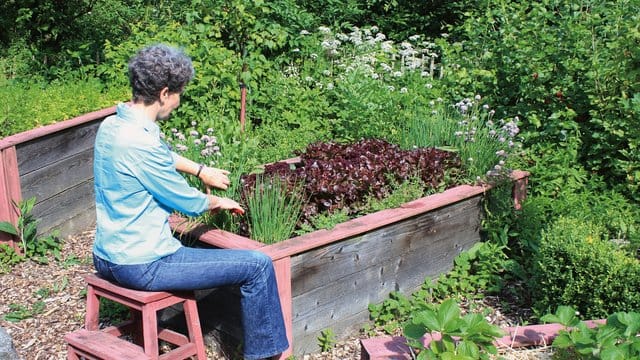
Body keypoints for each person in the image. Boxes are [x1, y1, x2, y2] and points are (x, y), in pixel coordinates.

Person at [92, 44, 289, 360]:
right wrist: (215, 201)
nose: (179, 101)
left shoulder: (113, 126)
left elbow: (160, 157)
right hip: (143, 264)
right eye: (179, 93)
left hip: (106, 256)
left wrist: (201, 169)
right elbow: (181, 198)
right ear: (165, 93)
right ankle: (267, 357)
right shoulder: (140, 141)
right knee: (258, 265)